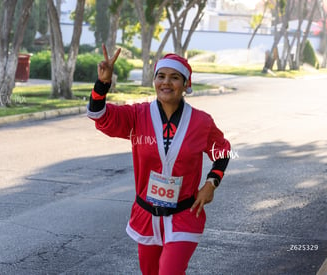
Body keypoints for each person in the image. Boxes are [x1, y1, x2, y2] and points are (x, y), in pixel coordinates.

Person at [87, 44, 231, 275]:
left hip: (184, 214)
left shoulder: (201, 122)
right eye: (161, 76)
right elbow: (99, 114)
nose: (166, 82)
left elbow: (222, 152)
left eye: (175, 77)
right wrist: (102, 83)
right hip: (146, 215)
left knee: (169, 272)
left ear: (186, 84)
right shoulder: (137, 115)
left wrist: (211, 183)